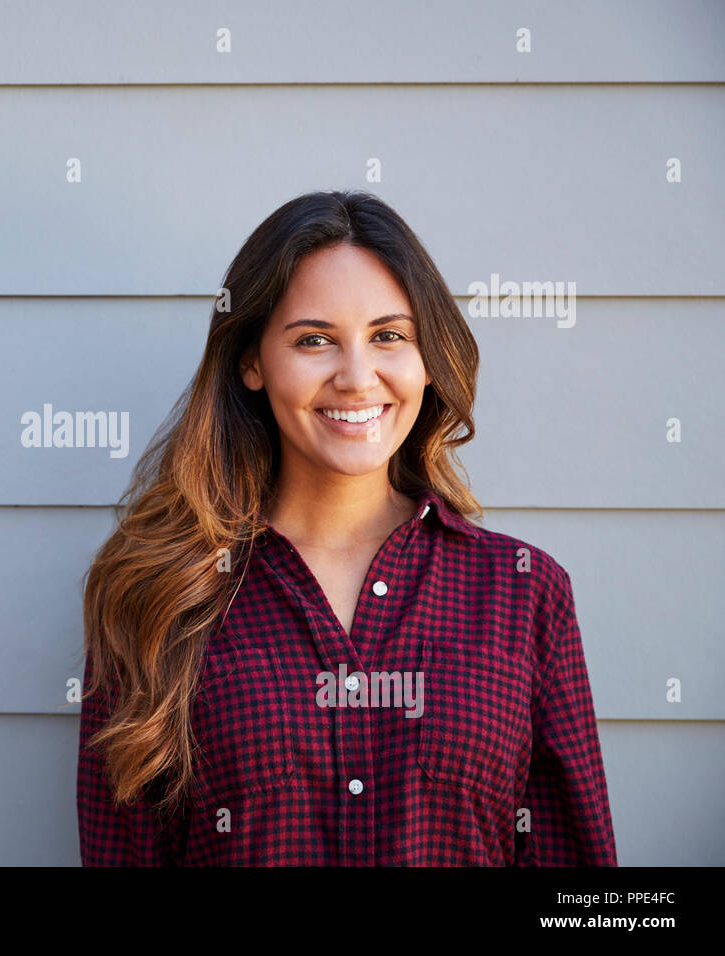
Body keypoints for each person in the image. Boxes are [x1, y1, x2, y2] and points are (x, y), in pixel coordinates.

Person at [77, 190, 617, 866]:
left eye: (389, 336)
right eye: (314, 340)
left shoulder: (524, 593)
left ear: (427, 359)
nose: (357, 378)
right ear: (251, 361)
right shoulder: (160, 590)